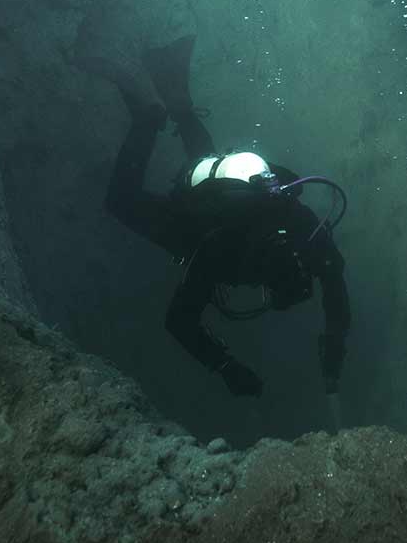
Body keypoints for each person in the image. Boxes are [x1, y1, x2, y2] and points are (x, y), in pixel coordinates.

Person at [81, 35, 351, 410]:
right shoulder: (224, 254)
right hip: (189, 224)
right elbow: (178, 321)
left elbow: (334, 283)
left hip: (232, 193)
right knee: (121, 202)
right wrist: (226, 366)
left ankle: (178, 102)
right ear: (267, 283)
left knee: (204, 170)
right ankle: (148, 118)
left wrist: (334, 342)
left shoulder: (299, 224)